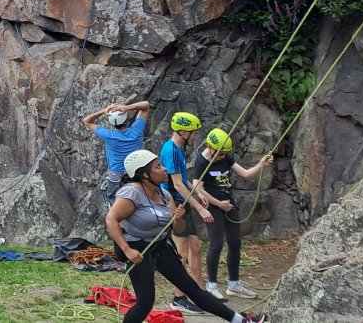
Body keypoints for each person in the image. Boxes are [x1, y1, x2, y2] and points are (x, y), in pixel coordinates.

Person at [106, 150, 267, 323]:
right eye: (158, 167)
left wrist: (178, 218)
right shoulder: (131, 193)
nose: (165, 169)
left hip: (158, 246)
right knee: (146, 302)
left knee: (192, 289)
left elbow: (178, 228)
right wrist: (127, 250)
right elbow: (111, 219)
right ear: (145, 175)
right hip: (135, 247)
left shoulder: (164, 194)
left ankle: (239, 320)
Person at [192, 129, 275, 301]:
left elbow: (245, 174)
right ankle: (212, 284)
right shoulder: (201, 162)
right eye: (220, 153)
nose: (223, 156)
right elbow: (197, 189)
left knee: (235, 242)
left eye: (225, 154)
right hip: (214, 205)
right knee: (216, 243)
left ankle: (234, 284)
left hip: (229, 204)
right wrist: (218, 203)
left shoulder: (226, 158)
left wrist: (261, 164)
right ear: (210, 147)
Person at [160, 111, 213, 313]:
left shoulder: (179, 148)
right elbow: (177, 185)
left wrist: (198, 193)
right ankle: (178, 298)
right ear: (183, 132)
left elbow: (184, 180)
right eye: (194, 133)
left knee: (196, 248)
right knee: (181, 253)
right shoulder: (171, 151)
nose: (196, 136)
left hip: (185, 203)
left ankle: (200, 294)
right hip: (176, 206)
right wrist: (200, 208)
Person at [82, 99, 150, 209]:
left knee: (113, 201)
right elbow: (145, 105)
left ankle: (115, 216)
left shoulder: (108, 135)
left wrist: (104, 111)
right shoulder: (137, 130)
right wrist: (127, 108)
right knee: (137, 198)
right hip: (136, 172)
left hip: (116, 175)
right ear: (125, 118)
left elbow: (87, 121)